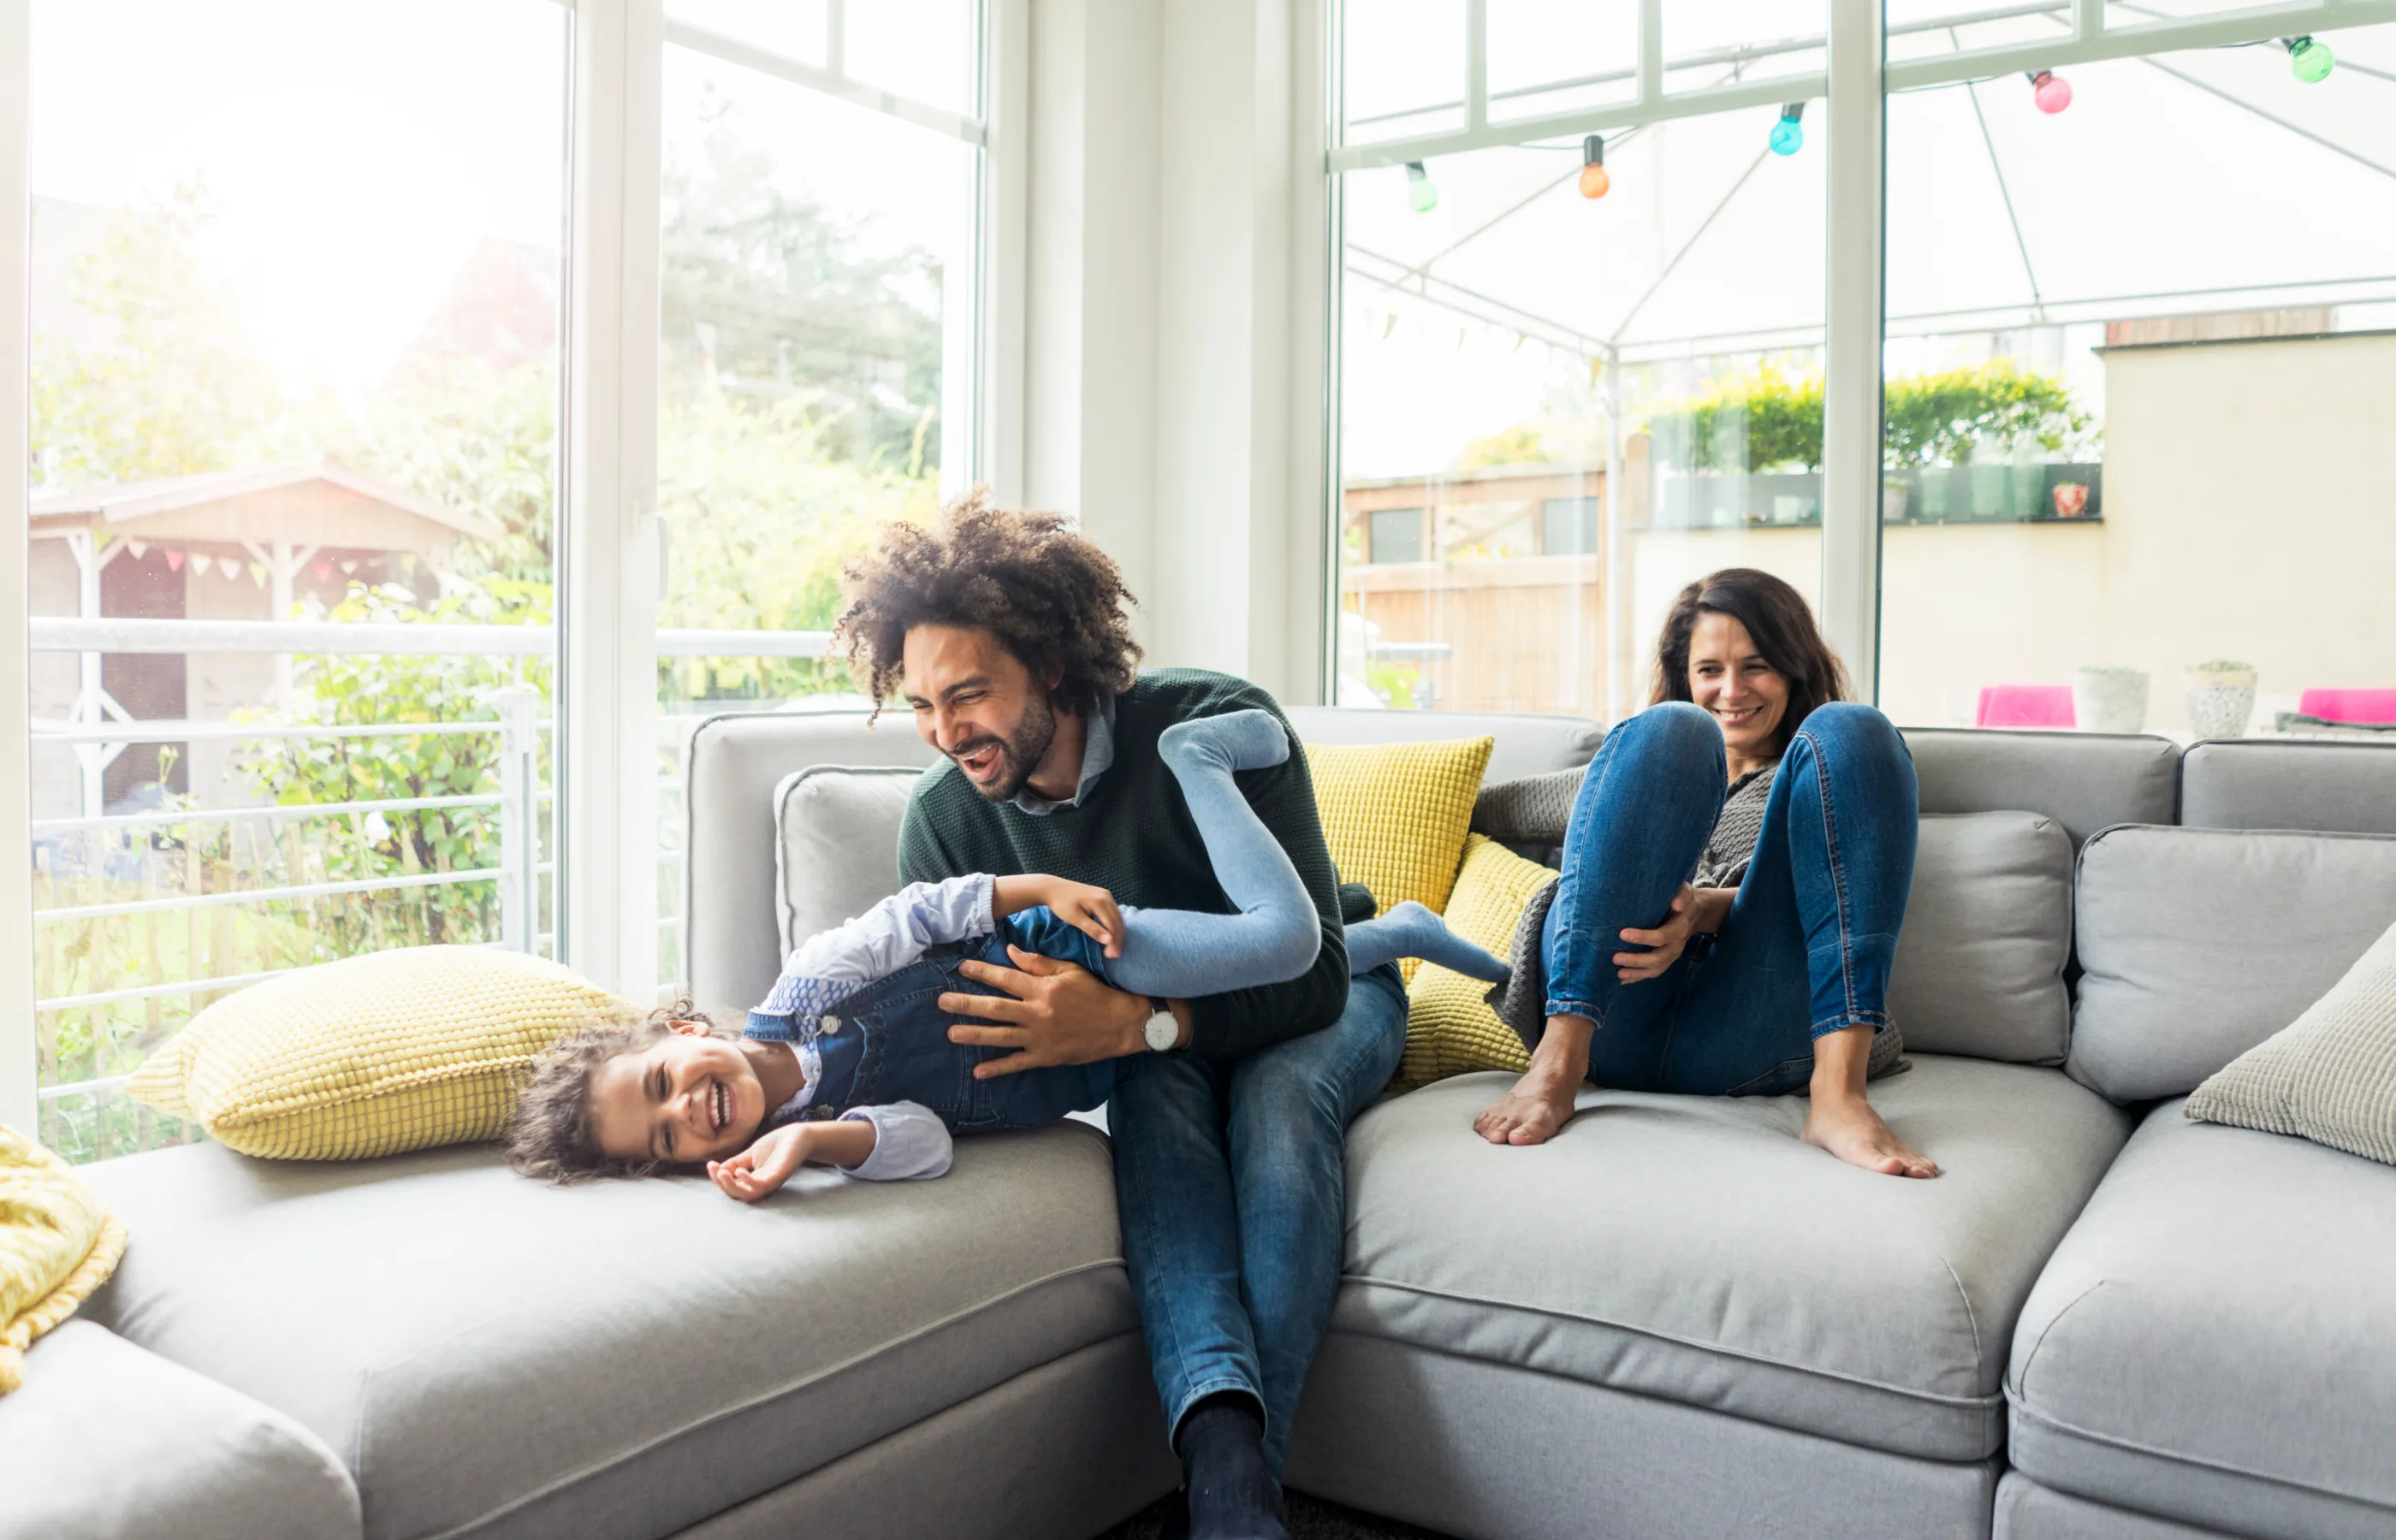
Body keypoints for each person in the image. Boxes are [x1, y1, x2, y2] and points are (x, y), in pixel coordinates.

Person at [835, 494, 1408, 1540]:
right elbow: (984, 1015)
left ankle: (1233, 1493)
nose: (945, 732)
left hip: (1331, 991)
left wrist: (1141, 1024)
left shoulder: (1214, 720)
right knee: (1153, 1111)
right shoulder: (945, 822)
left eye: (969, 695)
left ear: (1051, 664)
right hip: (1149, 1040)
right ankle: (1236, 1499)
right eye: (920, 705)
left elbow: (1315, 971)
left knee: (1278, 1108)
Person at [503, 708, 1503, 1201]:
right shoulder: (832, 1122)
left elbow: (929, 910)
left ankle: (1194, 757)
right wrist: (814, 1145)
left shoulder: (806, 986)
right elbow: (926, 1145)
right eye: (669, 1137)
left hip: (1071, 948)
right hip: (1103, 1047)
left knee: (1286, 942)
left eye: (665, 1083)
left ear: (684, 1031)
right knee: (1279, 963)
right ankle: (1396, 931)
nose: (689, 1109)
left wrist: (1042, 889)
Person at [1474, 566, 1940, 1179]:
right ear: (1686, 676)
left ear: (1794, 667)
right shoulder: (1644, 768)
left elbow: (1841, 884)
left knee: (1854, 727)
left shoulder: (1821, 776)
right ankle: (1556, 1065)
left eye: (1757, 666)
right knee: (1672, 728)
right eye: (1710, 670)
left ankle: (1839, 1097)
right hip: (1617, 1010)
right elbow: (1470, 807)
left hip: (1755, 1021)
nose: (1732, 690)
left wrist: (1706, 908)